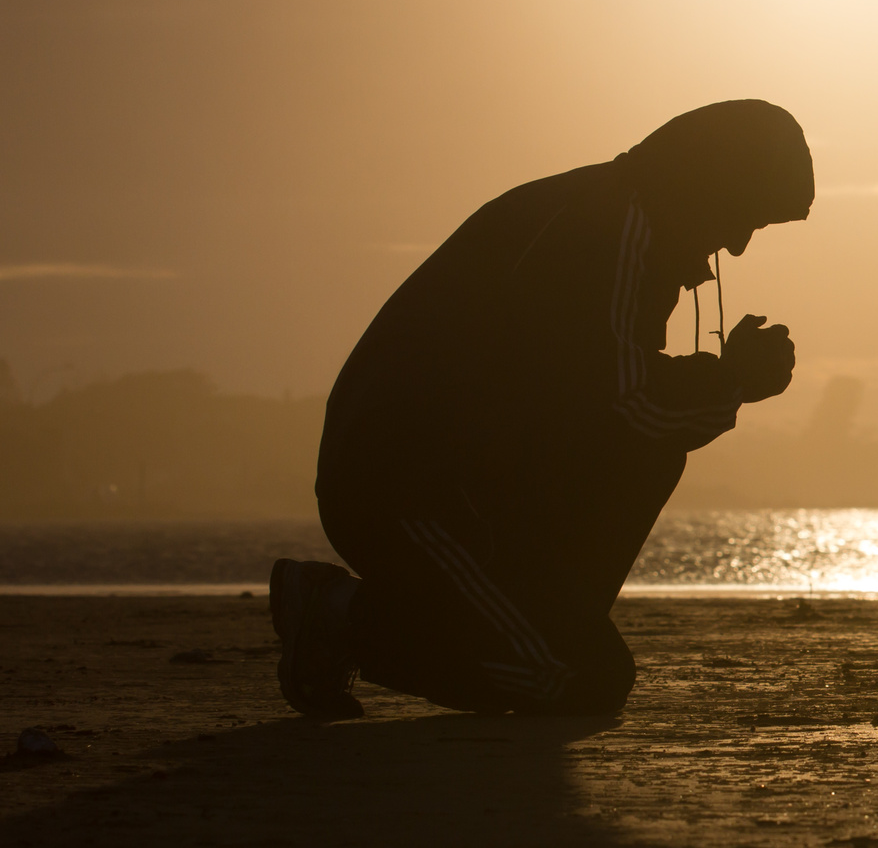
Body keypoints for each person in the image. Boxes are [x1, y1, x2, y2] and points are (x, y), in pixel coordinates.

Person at [270, 100, 810, 719]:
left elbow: (595, 407)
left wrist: (724, 384)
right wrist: (731, 380)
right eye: (742, 218)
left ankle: (517, 617)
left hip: (470, 484)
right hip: (406, 488)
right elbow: (623, 407)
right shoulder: (609, 233)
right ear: (708, 185)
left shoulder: (618, 216)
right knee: (576, 677)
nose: (737, 246)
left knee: (645, 472)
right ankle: (338, 615)